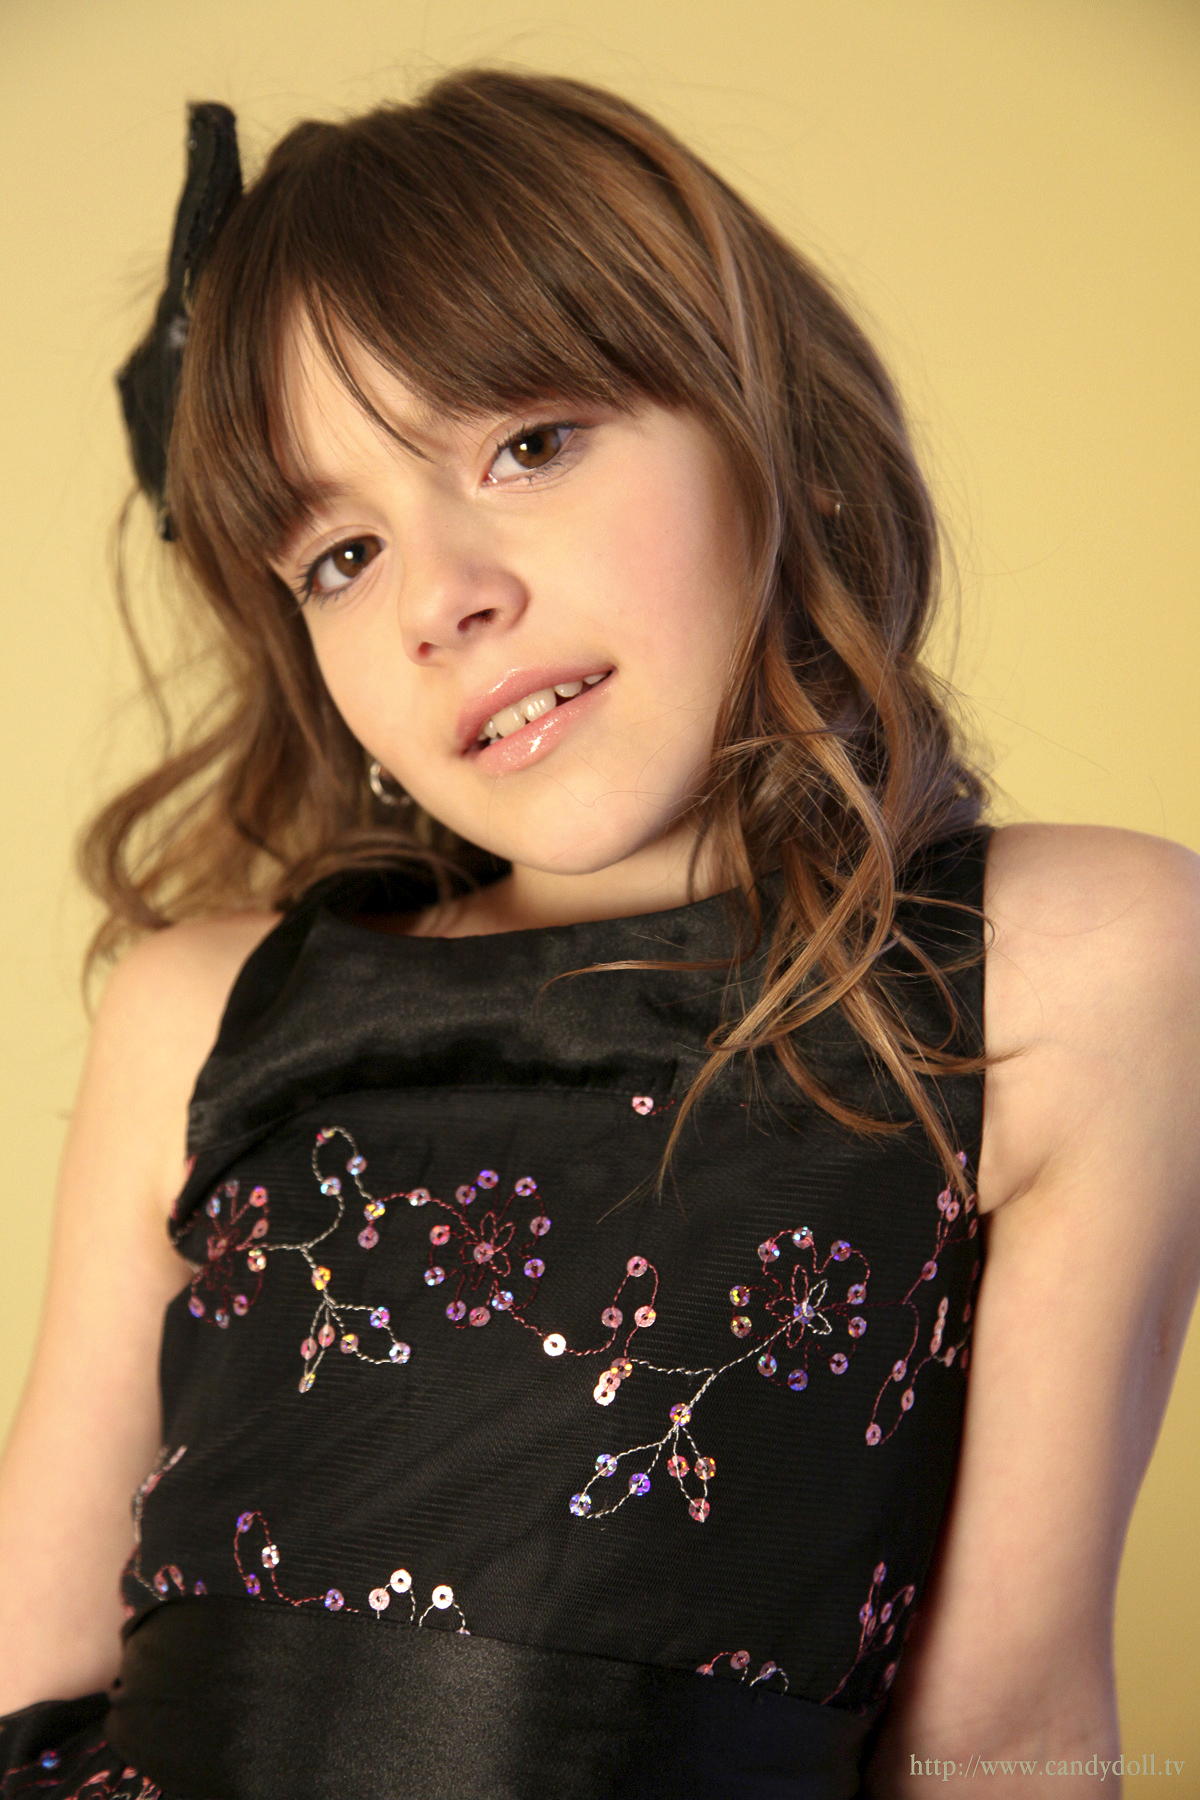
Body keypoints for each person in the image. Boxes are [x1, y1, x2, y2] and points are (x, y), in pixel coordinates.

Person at [0, 68, 1195, 1800]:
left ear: (774, 438)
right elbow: (28, 1676)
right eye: (340, 555)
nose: (442, 597)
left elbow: (1003, 1740)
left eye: (529, 446)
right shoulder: (209, 1010)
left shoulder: (1066, 968)